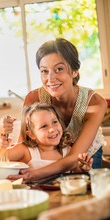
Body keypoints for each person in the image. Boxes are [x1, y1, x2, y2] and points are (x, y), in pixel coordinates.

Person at [8, 38, 107, 183]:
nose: (50, 78)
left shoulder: (95, 102)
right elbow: (24, 145)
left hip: (84, 158)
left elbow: (74, 158)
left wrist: (34, 175)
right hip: (49, 157)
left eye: (59, 69)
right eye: (44, 71)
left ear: (74, 71)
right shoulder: (33, 98)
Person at [0, 102, 93, 173]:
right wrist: (0, 146)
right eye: (44, 126)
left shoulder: (68, 151)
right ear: (31, 134)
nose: (52, 129)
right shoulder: (26, 151)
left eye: (54, 122)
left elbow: (75, 174)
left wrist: (83, 169)